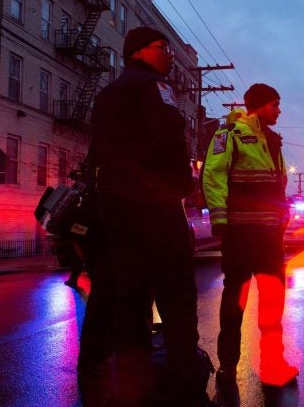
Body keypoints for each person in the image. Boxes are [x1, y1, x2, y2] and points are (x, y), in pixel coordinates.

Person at [86, 26, 212, 406]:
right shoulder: (155, 88)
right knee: (177, 298)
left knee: (130, 302)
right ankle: (185, 390)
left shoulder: (107, 95)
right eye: (164, 48)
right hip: (154, 207)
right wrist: (183, 184)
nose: (169, 55)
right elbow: (168, 139)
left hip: (116, 211)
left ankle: (133, 392)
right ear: (140, 51)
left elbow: (98, 153)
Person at [202, 83, 297, 402]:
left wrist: (282, 219)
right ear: (259, 106)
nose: (279, 111)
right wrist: (219, 219)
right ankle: (228, 365)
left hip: (269, 239)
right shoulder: (230, 135)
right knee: (234, 302)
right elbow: (213, 175)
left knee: (272, 303)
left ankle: (273, 362)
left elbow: (276, 186)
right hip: (241, 237)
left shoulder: (273, 140)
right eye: (275, 105)